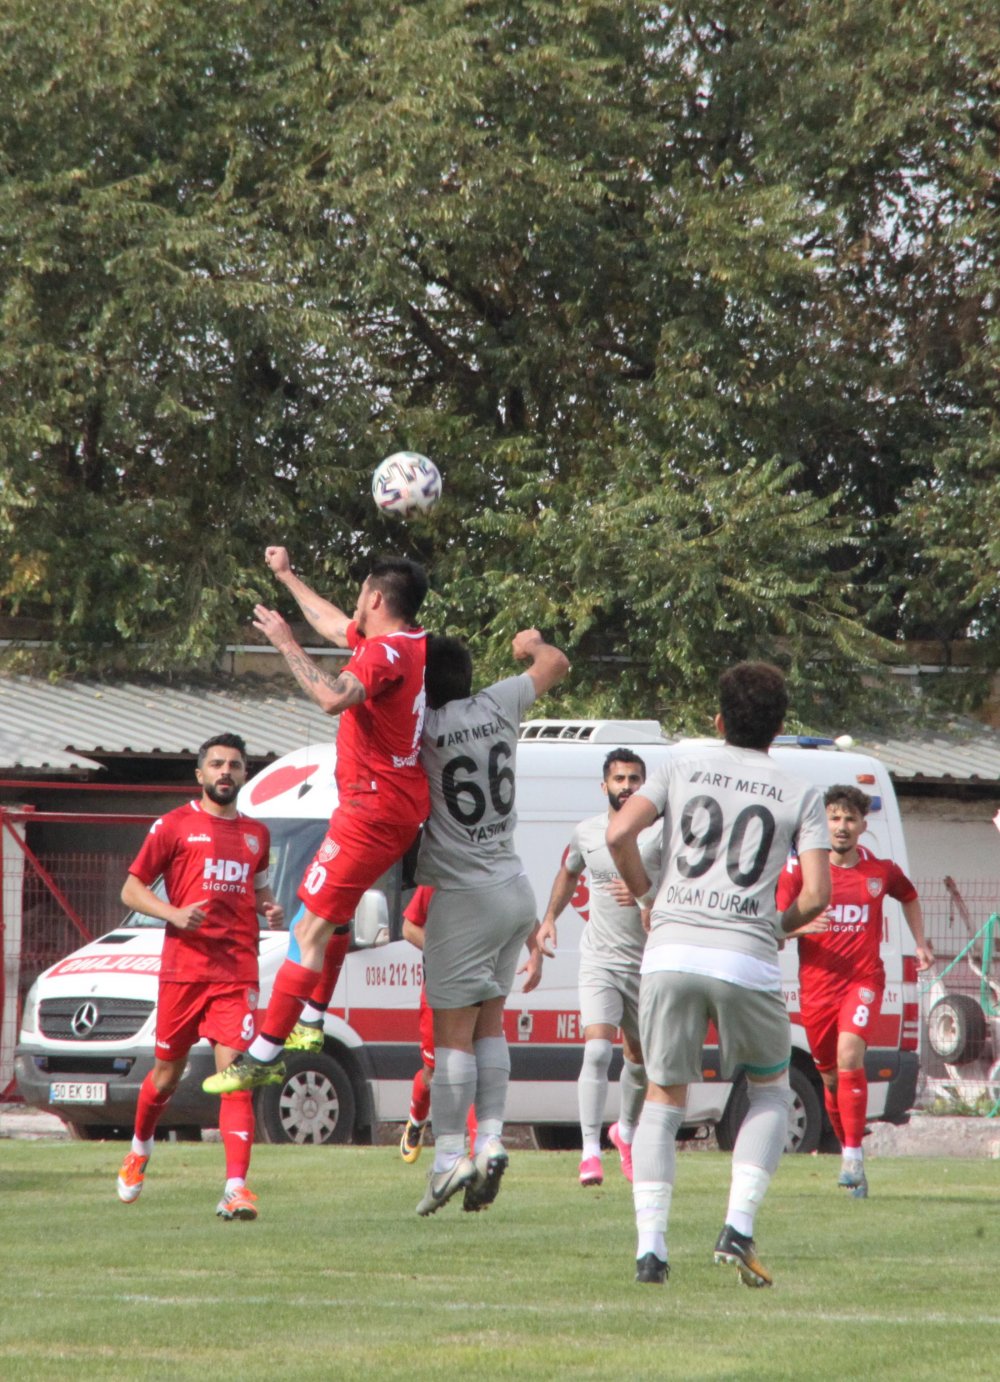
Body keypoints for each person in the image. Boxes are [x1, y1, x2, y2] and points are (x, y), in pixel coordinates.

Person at [607, 662, 831, 1288]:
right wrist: (775, 926)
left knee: (662, 1098)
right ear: (780, 729)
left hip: (671, 950)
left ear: (718, 720)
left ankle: (650, 1250)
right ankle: (737, 1226)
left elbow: (619, 831)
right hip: (747, 957)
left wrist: (649, 898)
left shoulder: (681, 763)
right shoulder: (800, 790)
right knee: (769, 1090)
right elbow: (817, 895)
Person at [205, 548, 429, 1096]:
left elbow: (332, 697)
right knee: (334, 918)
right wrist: (287, 576)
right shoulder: (406, 641)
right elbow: (334, 624)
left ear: (375, 599)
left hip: (371, 811)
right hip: (387, 806)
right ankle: (310, 1021)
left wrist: (284, 643)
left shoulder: (382, 656)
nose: (352, 607)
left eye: (359, 596)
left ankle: (263, 1053)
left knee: (307, 926)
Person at [413, 628, 570, 1216]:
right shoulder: (499, 701)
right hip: (514, 887)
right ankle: (491, 1139)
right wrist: (531, 643)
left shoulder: (423, 730)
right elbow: (556, 661)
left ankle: (450, 1154)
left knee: (452, 1035)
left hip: (464, 894)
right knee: (491, 1027)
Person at [115, 733, 283, 1219]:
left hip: (235, 972)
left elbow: (260, 890)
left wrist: (270, 910)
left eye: (234, 764)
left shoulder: (257, 835)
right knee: (165, 1078)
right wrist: (171, 912)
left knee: (235, 1079)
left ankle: (235, 1188)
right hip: (183, 973)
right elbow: (131, 889)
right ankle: (139, 1150)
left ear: (244, 774)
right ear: (200, 775)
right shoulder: (173, 826)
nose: (225, 771)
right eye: (216, 764)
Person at [777, 784, 933, 1199]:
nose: (841, 826)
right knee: (830, 1077)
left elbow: (910, 896)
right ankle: (848, 1155)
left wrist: (919, 942)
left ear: (863, 825)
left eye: (849, 819)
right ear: (822, 823)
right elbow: (775, 925)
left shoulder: (879, 871)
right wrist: (794, 927)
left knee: (850, 1057)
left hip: (862, 982)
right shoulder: (800, 874)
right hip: (816, 989)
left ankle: (853, 1156)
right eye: (834, 818)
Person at [536, 749, 661, 1188]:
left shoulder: (660, 836)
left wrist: (651, 893)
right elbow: (569, 873)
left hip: (648, 964)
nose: (627, 786)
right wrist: (550, 917)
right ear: (604, 785)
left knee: (643, 1062)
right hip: (600, 960)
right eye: (620, 778)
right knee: (595, 1050)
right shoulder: (587, 832)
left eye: (635, 779)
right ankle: (589, 1152)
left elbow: (685, 888)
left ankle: (623, 1133)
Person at [398, 884, 478, 1162]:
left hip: (473, 988)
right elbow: (409, 928)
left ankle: (478, 1149)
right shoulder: (435, 879)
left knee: (470, 1066)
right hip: (437, 991)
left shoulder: (487, 875)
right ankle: (416, 1120)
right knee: (433, 1072)